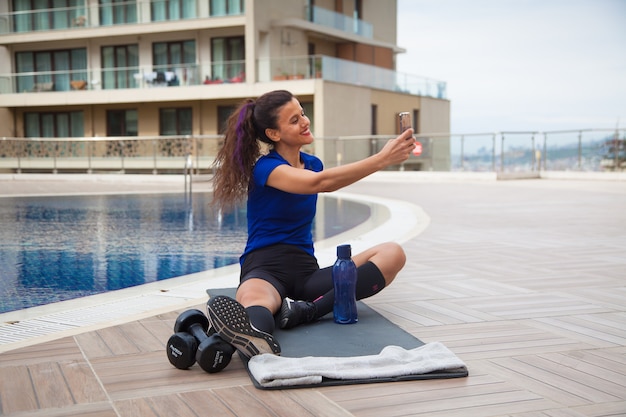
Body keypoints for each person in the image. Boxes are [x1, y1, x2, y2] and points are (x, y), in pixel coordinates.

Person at [207, 89, 415, 363]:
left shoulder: (313, 163)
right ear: (274, 134)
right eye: (294, 120)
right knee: (257, 302)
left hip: (306, 271)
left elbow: (322, 178)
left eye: (302, 113)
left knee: (392, 253)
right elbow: (319, 183)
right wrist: (383, 159)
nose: (305, 121)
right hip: (265, 266)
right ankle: (251, 336)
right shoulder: (266, 168)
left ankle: (308, 311)